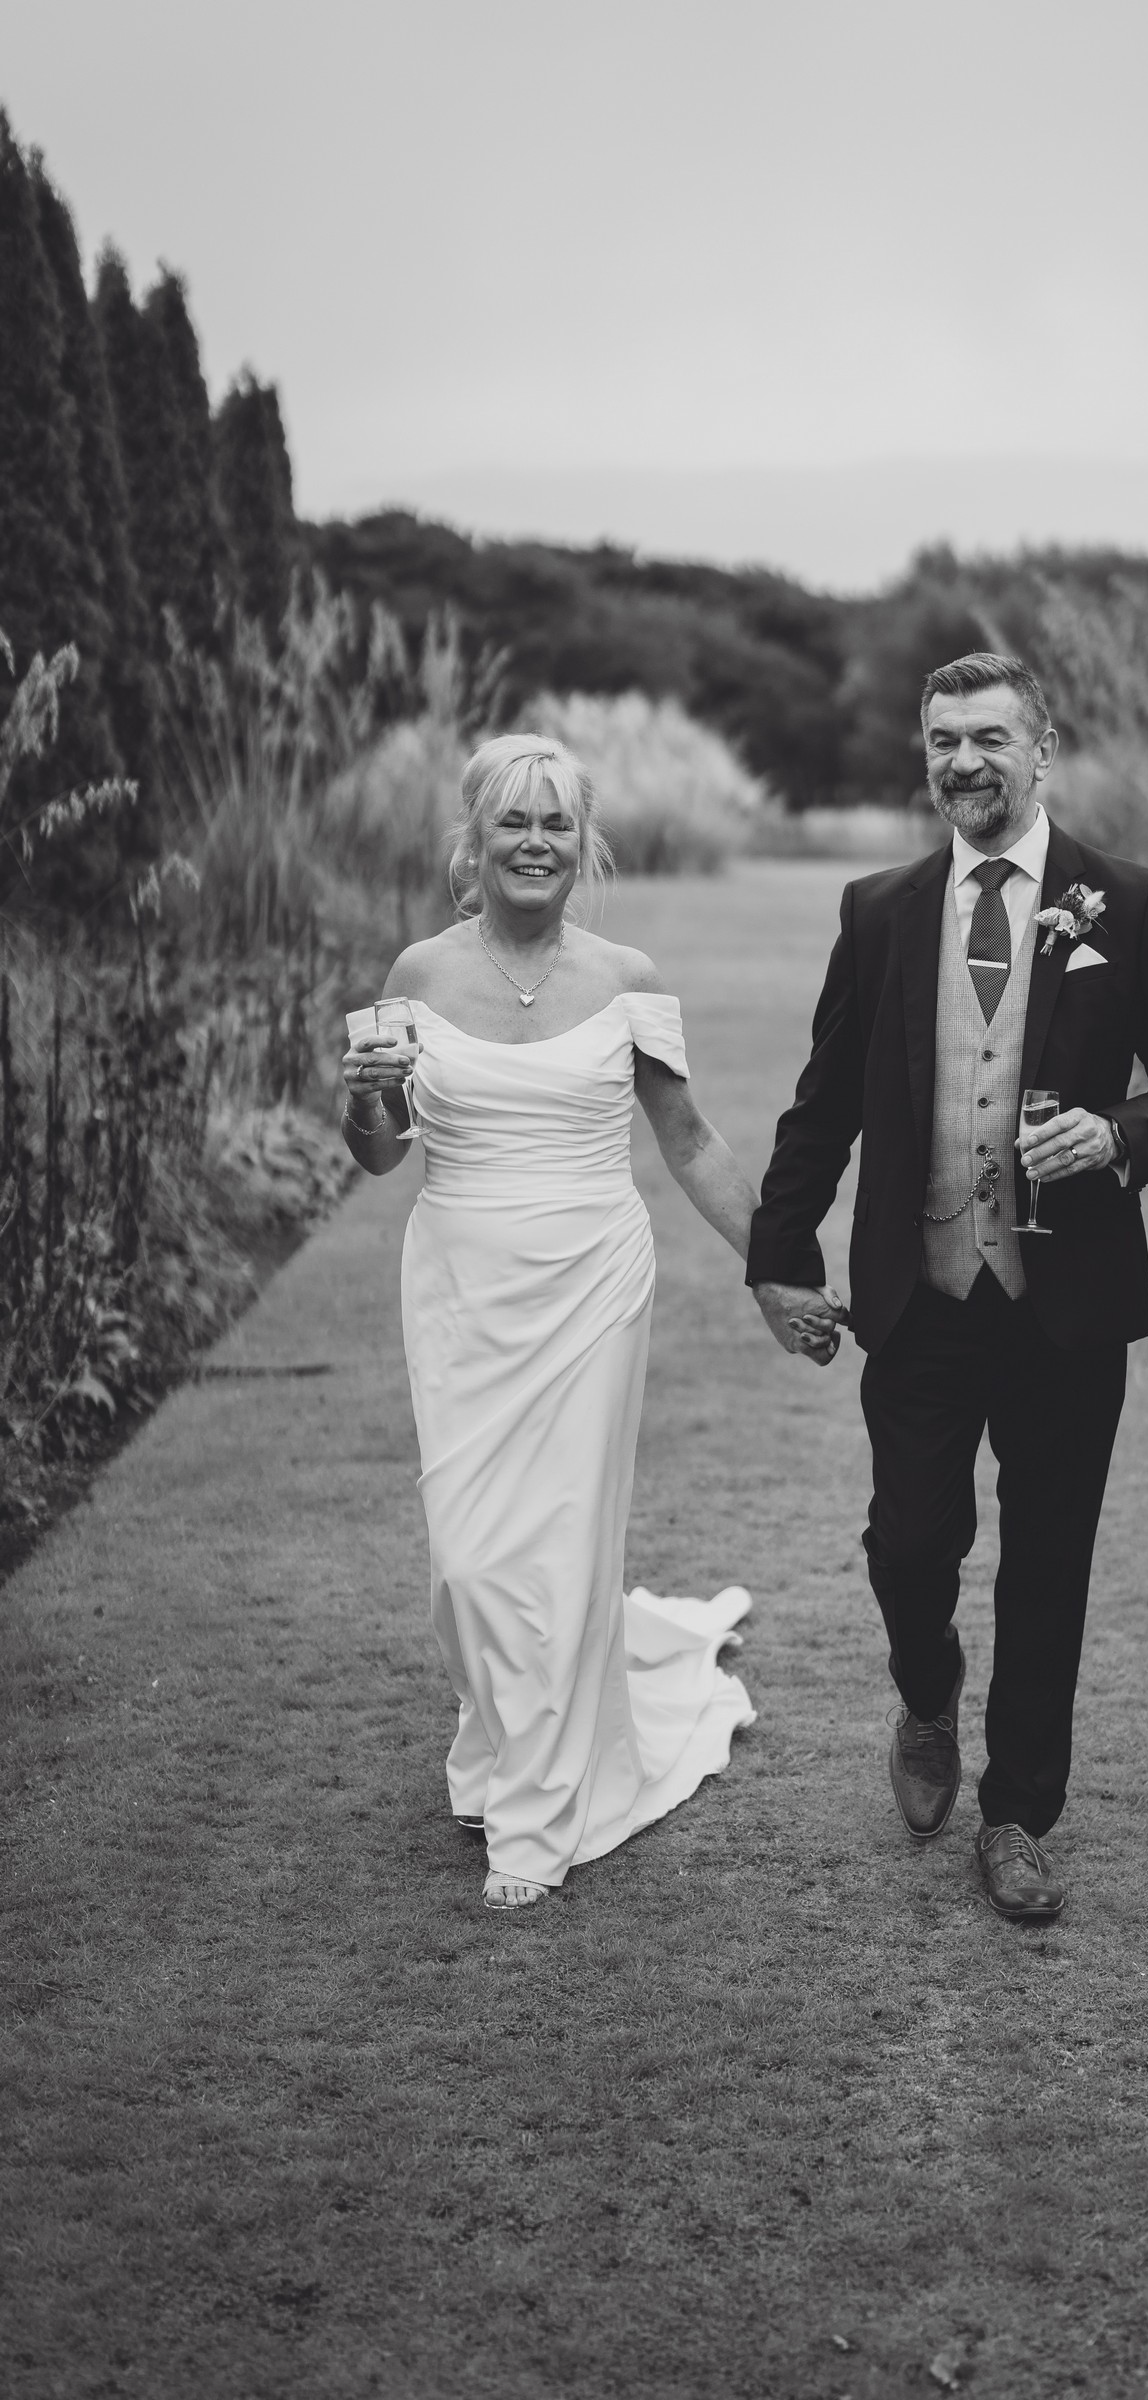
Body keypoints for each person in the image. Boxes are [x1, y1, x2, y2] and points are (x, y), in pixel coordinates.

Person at [746, 653, 1148, 1924]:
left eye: (988, 738)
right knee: (910, 1545)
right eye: (942, 741)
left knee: (1049, 1565)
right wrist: (780, 1254)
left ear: (1042, 750)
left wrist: (1119, 1136)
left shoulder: (1125, 903)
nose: (962, 761)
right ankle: (926, 1692)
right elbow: (824, 1103)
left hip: (1066, 1307)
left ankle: (1016, 1815)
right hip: (920, 1292)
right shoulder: (878, 911)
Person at [340, 732, 814, 1913]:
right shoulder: (417, 973)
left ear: (583, 842)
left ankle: (536, 1821)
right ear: (475, 838)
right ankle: (503, 1732)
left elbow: (688, 1140)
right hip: (459, 1285)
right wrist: (365, 1106)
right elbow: (381, 1154)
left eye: (557, 822)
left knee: (556, 1550)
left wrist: (775, 1270)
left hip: (594, 1282)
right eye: (514, 820)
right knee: (465, 1564)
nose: (536, 841)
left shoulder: (626, 975)